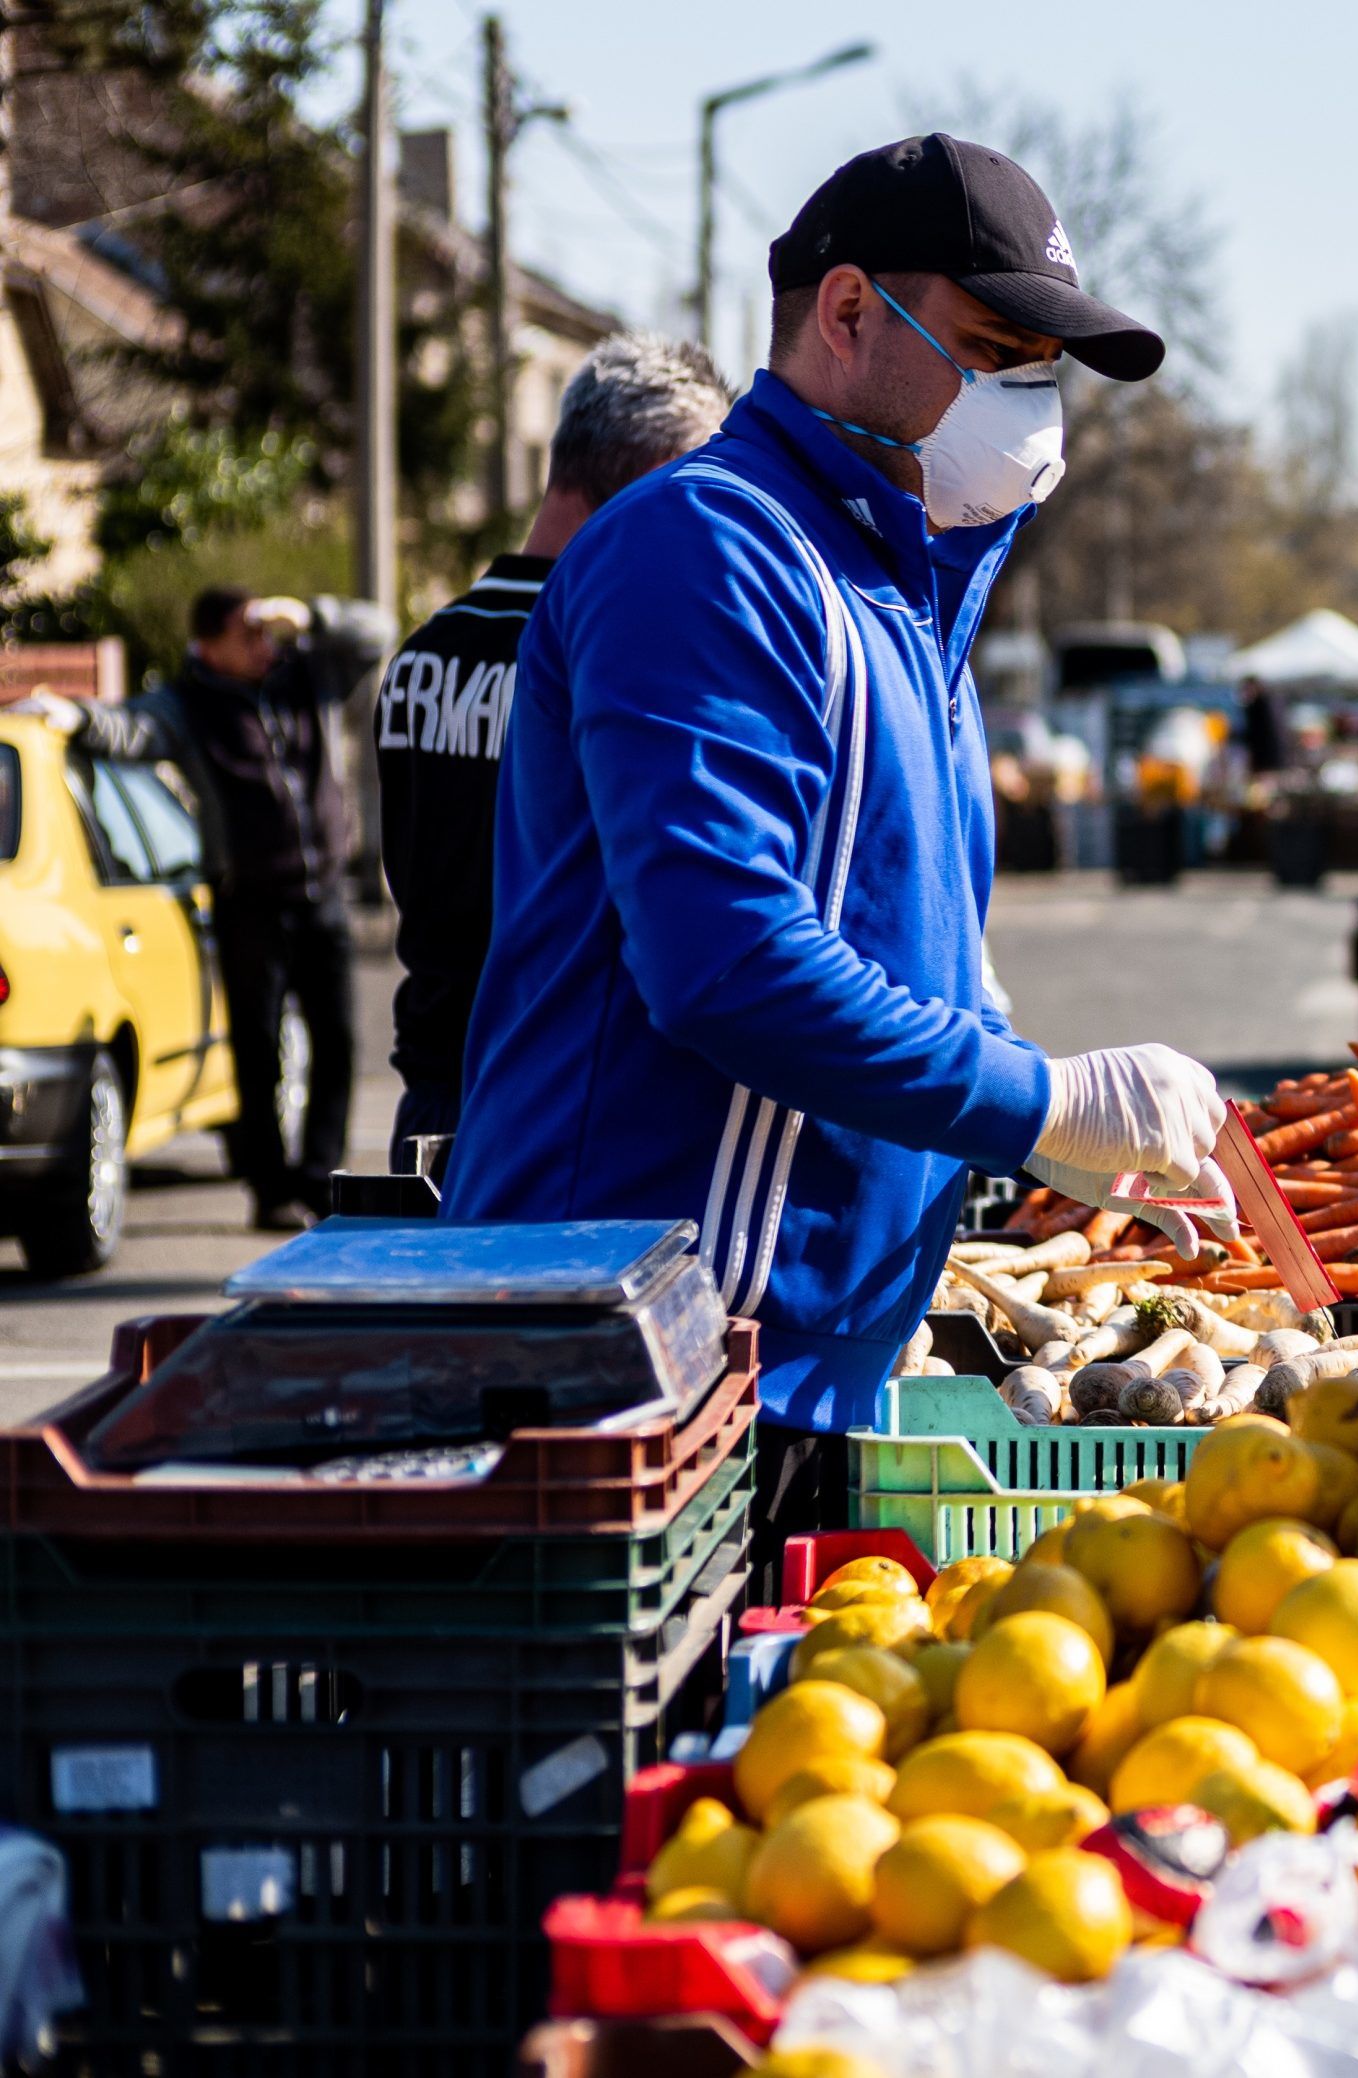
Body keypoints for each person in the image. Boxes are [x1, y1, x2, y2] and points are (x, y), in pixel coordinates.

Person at [444, 134, 1225, 1542]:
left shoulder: (908, 595)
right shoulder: (710, 549)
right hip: (647, 1379)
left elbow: (910, 950)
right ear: (850, 312)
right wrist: (1037, 1098)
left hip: (786, 1375)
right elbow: (729, 966)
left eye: (1044, 368)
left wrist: (1029, 1139)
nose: (1031, 402)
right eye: (996, 349)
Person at [375, 334, 732, 1173]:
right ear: (654, 473)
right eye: (693, 486)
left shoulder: (424, 652)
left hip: (429, 1092)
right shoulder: (607, 657)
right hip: (550, 1107)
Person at [29, 587, 393, 1226]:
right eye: (246, 634)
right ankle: (271, 1189)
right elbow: (130, 728)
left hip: (322, 894)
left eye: (264, 630)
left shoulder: (306, 670)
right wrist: (75, 717)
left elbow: (377, 633)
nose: (262, 644)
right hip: (251, 902)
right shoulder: (188, 704)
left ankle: (319, 1179)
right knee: (256, 1050)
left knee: (336, 1043)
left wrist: (311, 615)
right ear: (209, 644)